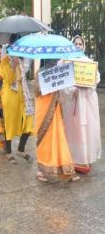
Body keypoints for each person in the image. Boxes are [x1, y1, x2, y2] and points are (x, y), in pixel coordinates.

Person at [60, 35, 102, 174]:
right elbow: (62, 82)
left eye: (80, 44)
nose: (78, 46)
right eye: (75, 43)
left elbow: (95, 79)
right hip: (72, 102)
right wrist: (73, 90)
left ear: (83, 46)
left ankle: (85, 158)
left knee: (87, 130)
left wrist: (85, 88)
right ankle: (72, 158)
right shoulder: (64, 62)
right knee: (73, 131)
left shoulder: (89, 62)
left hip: (87, 102)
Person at [35, 61, 79, 183]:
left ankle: (66, 170)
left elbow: (62, 88)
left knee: (60, 138)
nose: (53, 60)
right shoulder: (40, 72)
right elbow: (37, 91)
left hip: (55, 109)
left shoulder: (59, 72)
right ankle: (41, 170)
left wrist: (61, 95)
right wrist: (48, 84)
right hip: (44, 110)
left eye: (55, 58)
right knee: (44, 141)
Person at [0, 35, 34, 164]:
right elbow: (9, 79)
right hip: (10, 96)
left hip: (23, 95)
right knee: (10, 122)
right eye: (15, 44)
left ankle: (21, 149)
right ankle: (8, 152)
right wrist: (13, 65)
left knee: (28, 123)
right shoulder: (5, 60)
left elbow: (25, 77)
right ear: (11, 45)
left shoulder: (23, 59)